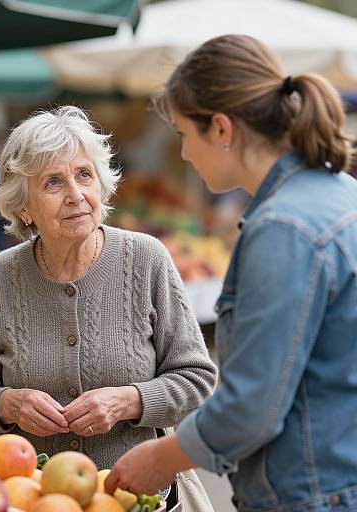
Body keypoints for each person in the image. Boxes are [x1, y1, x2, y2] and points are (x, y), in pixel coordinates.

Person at [106, 33, 357, 512]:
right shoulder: (340, 194)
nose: (182, 153)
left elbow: (251, 407)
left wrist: (162, 457)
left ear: (221, 129)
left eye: (183, 134)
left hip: (306, 495)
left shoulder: (284, 228)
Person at [0, 106, 217, 473]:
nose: (75, 194)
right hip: (33, 494)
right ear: (24, 208)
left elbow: (197, 379)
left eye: (84, 175)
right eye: (53, 182)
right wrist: (8, 404)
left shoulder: (145, 259)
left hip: (131, 495)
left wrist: (129, 401)